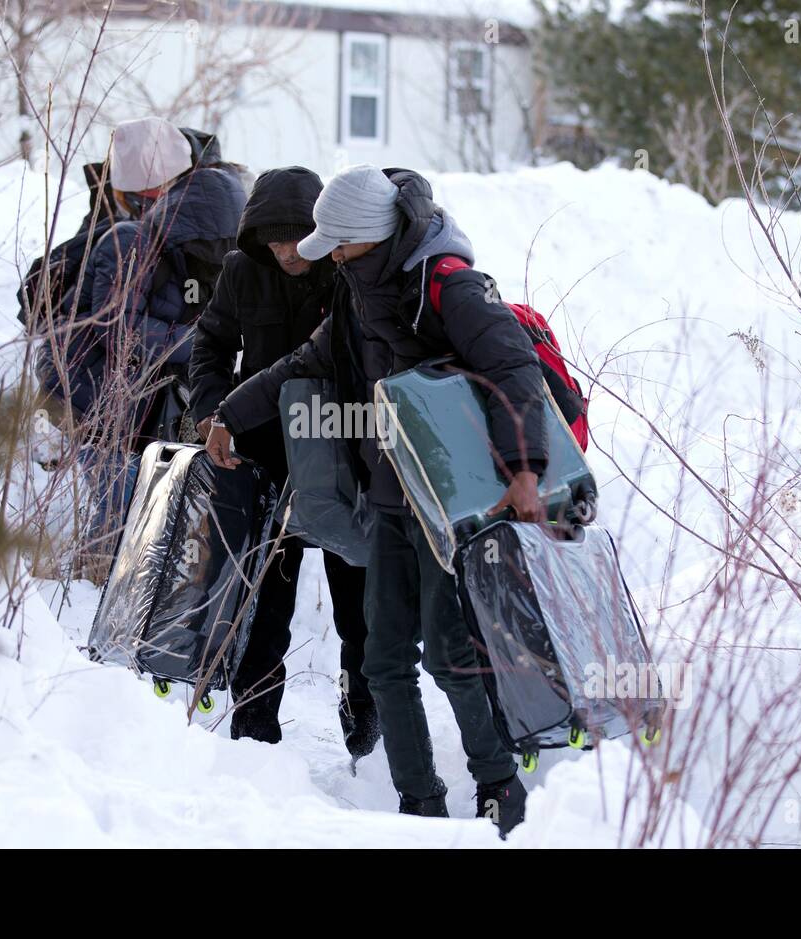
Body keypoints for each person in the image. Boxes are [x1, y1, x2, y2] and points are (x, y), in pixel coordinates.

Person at [204, 165, 548, 835]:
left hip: (453, 498)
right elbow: (302, 363)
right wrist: (230, 413)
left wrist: (526, 466)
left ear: (367, 237)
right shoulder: (356, 295)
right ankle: (417, 803)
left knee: (449, 652)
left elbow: (514, 366)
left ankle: (499, 784)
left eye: (338, 243)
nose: (329, 255)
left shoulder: (447, 284)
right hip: (391, 496)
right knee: (384, 657)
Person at [189, 167, 378, 757]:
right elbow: (210, 343)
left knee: (361, 611)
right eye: (271, 242)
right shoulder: (243, 272)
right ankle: (254, 741)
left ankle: (364, 727)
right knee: (263, 611)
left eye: (294, 239)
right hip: (264, 459)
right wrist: (210, 409)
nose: (284, 252)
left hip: (345, 459)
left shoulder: (348, 267)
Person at [32, 117, 246, 578]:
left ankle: (101, 593)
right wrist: (205, 345)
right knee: (132, 512)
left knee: (126, 514)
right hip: (104, 396)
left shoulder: (151, 238)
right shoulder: (150, 238)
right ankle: (99, 598)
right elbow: (120, 328)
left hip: (114, 402)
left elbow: (128, 331)